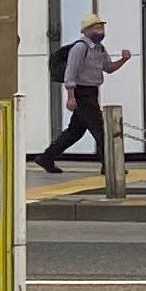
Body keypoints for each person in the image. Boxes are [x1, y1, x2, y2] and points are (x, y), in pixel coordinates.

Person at [30, 15, 115, 175]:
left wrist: (124, 60)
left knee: (75, 132)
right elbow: (70, 72)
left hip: (92, 91)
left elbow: (108, 68)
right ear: (87, 31)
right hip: (81, 92)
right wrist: (70, 96)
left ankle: (46, 157)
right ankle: (109, 165)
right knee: (100, 130)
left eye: (102, 28)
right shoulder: (80, 48)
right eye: (96, 28)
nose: (100, 31)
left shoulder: (100, 48)